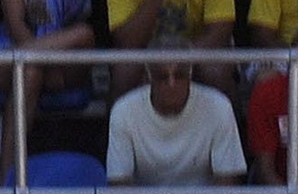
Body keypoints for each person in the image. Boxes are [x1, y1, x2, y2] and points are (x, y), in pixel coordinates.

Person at [107, 57, 251, 186]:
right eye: (162, 76)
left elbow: (228, 182)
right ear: (148, 76)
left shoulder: (219, 106)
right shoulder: (123, 110)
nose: (171, 83)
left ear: (190, 74)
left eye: (179, 75)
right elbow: (119, 185)